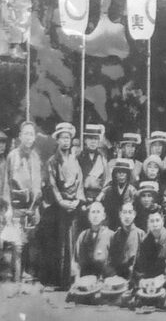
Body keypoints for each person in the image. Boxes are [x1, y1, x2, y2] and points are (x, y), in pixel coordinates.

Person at [43, 122, 84, 288]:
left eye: (68, 138)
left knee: (73, 240)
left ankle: (72, 278)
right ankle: (59, 279)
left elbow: (80, 180)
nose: (66, 141)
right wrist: (62, 201)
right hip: (59, 207)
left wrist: (77, 200)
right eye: (62, 138)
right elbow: (52, 184)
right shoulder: (52, 161)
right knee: (60, 242)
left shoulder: (75, 159)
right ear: (58, 140)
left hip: (73, 205)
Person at [6, 121, 42, 281]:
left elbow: (38, 184)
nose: (29, 137)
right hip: (17, 207)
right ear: (20, 136)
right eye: (26, 133)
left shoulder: (35, 157)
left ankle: (29, 281)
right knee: (17, 246)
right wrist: (8, 208)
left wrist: (37, 208)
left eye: (31, 134)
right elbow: (6, 184)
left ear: (34, 138)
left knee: (31, 245)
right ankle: (16, 282)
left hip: (32, 208)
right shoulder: (12, 156)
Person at [132, 205, 166, 286]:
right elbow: (139, 266)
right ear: (148, 223)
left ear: (162, 221)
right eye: (152, 221)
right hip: (149, 282)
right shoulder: (144, 241)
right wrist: (141, 280)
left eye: (157, 220)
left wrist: (163, 279)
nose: (155, 224)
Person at [73, 202, 114, 278]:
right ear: (88, 216)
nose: (95, 215)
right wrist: (77, 280)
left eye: (98, 212)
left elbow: (115, 263)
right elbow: (76, 262)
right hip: (86, 280)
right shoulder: (83, 235)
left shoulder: (111, 235)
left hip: (105, 279)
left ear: (103, 216)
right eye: (93, 212)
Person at [97, 159, 138, 226]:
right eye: (119, 172)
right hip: (111, 220)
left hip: (127, 220)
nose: (121, 175)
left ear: (127, 175)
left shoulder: (131, 189)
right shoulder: (108, 188)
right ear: (115, 174)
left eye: (124, 173)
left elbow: (136, 202)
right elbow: (98, 199)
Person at [108, 202, 144, 281]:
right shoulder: (115, 236)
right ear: (120, 214)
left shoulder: (141, 234)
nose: (127, 216)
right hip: (118, 278)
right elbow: (111, 261)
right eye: (124, 212)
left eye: (130, 212)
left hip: (136, 278)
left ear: (134, 214)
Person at [77, 124, 108, 204]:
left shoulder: (102, 159)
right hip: (81, 197)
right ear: (85, 140)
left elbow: (107, 180)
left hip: (98, 197)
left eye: (96, 139)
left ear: (98, 141)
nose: (93, 142)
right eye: (90, 138)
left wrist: (99, 197)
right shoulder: (78, 157)